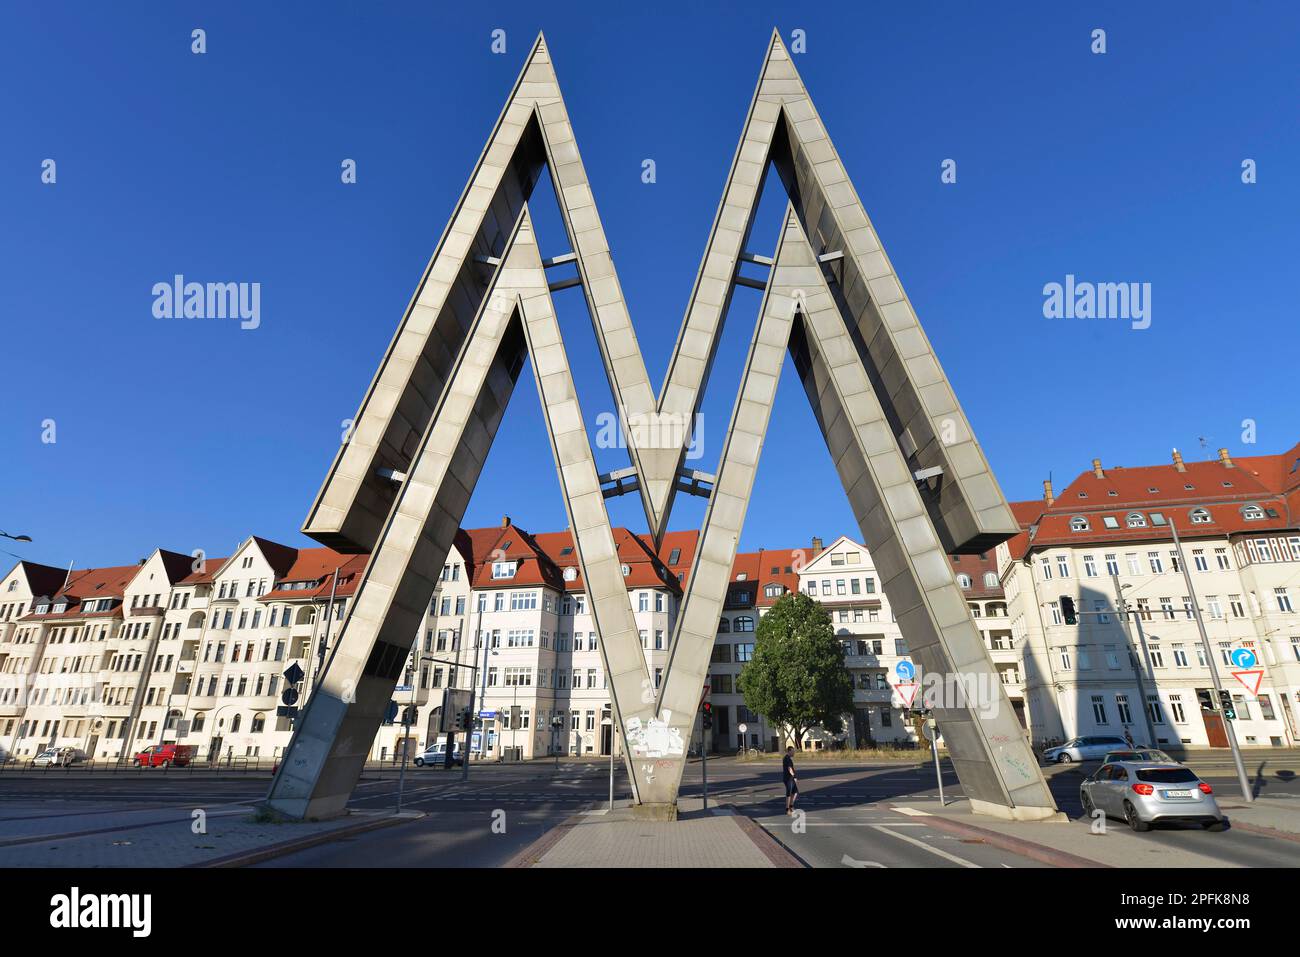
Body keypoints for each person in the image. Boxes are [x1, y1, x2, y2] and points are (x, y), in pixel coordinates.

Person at [782, 746, 798, 814]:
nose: (794, 753)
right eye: (793, 751)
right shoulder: (787, 758)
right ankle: (787, 809)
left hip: (791, 779)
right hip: (788, 779)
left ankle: (791, 806)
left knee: (795, 792)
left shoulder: (788, 758)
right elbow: (789, 768)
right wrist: (794, 776)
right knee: (789, 794)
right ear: (789, 751)